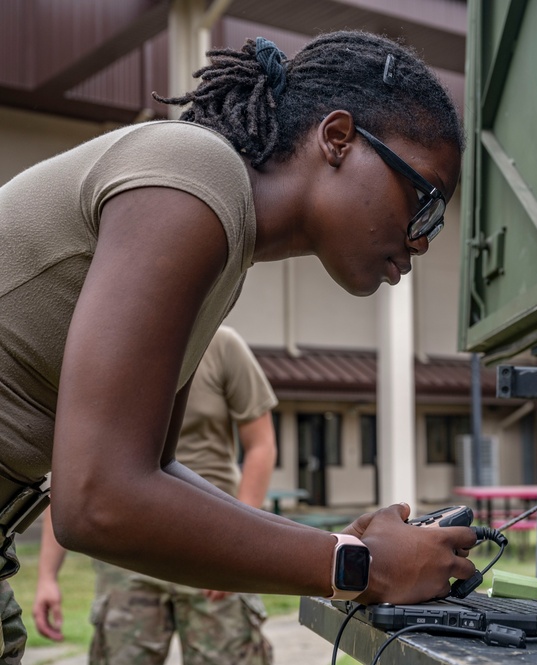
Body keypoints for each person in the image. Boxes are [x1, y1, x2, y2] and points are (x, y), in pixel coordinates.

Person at [0, 30, 476, 663]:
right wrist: (361, 567)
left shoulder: (218, 237)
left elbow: (152, 473)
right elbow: (99, 502)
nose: (422, 241)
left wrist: (343, 548)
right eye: (426, 204)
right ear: (337, 138)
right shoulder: (192, 176)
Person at [33, 325, 278, 664]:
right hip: (127, 549)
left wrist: (242, 547)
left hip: (211, 543)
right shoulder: (104, 346)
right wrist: (47, 576)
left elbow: (261, 445)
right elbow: (71, 468)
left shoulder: (220, 344)